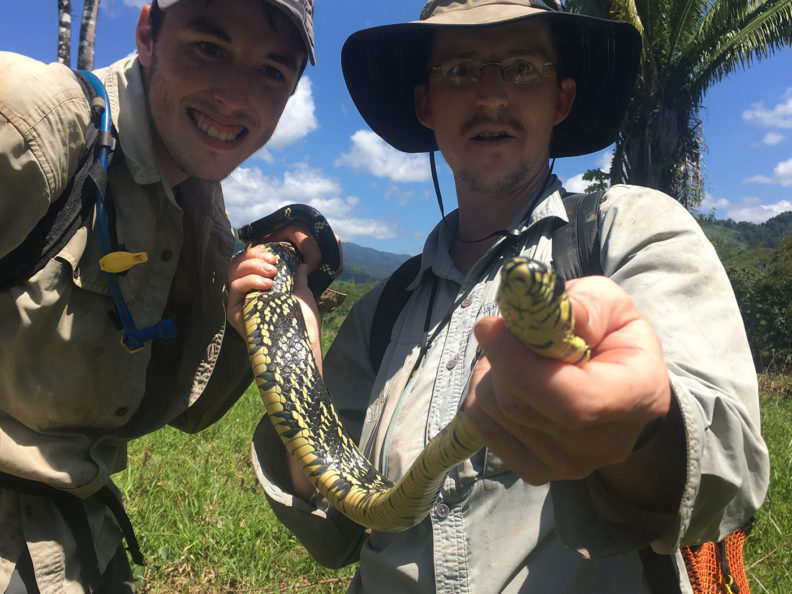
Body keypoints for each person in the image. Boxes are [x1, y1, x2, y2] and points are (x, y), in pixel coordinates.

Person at [235, 0, 769, 592]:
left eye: (522, 68)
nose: (492, 97)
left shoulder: (632, 230)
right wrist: (298, 365)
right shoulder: (381, 314)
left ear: (560, 98)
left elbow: (728, 477)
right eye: (460, 70)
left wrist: (641, 427)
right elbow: (337, 535)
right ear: (426, 104)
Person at [0, 0, 314, 591]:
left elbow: (189, 412)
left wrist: (267, 317)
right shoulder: (25, 123)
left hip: (83, 547)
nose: (234, 96)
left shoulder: (203, 214)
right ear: (148, 34)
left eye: (271, 71)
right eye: (209, 48)